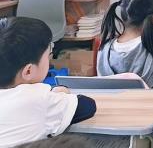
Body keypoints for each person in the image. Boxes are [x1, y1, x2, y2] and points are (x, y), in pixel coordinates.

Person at [0, 17, 96, 147]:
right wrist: (61, 93)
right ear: (28, 71)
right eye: (48, 55)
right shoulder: (37, 97)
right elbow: (87, 106)